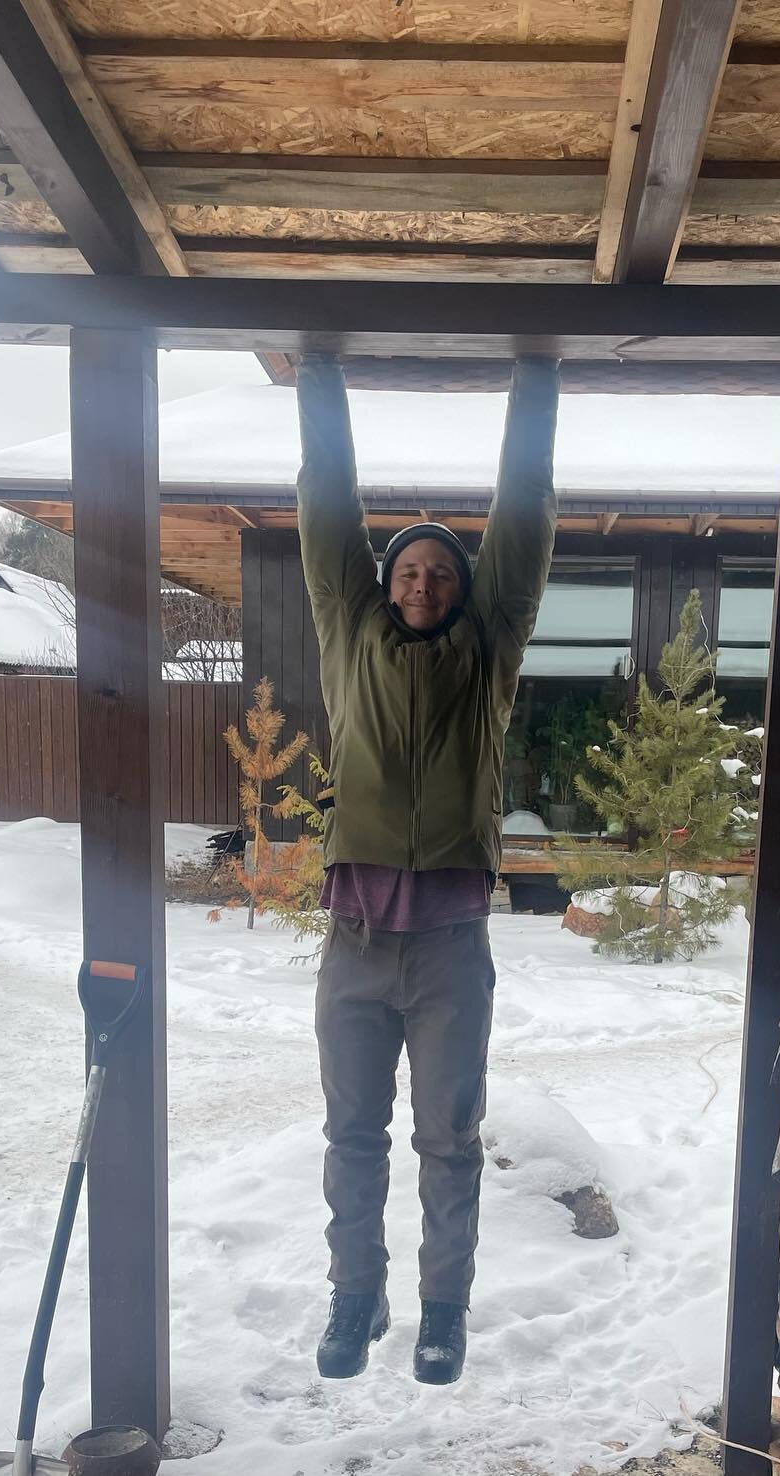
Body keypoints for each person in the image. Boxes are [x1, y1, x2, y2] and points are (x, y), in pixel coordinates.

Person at [295, 352, 561, 1386]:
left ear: (464, 590)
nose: (422, 580)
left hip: (450, 952)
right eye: (407, 567)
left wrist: (535, 382)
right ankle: (354, 1298)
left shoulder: (488, 651)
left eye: (441, 571)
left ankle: (441, 1311)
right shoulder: (347, 633)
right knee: (352, 1138)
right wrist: (320, 372)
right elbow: (329, 506)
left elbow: (525, 517)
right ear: (381, 583)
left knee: (449, 1144)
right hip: (355, 949)